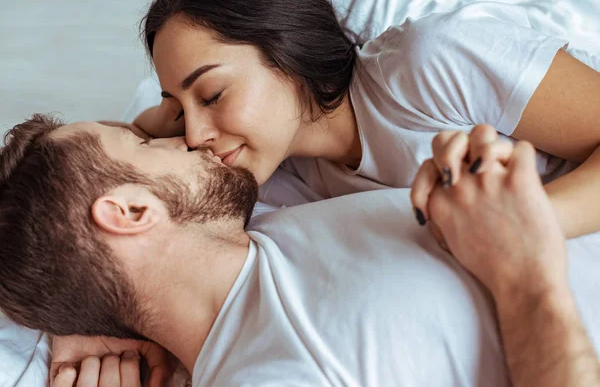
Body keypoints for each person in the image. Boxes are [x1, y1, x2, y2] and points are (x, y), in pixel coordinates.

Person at [0, 115, 598, 387]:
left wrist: (84, 315)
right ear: (131, 212)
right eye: (141, 143)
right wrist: (525, 274)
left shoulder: (275, 227)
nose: (180, 134)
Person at [132, 0, 600, 242]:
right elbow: (116, 146)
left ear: (287, 51)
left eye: (211, 95)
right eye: (177, 110)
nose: (193, 135)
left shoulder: (430, 61)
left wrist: (527, 227)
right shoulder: (277, 188)